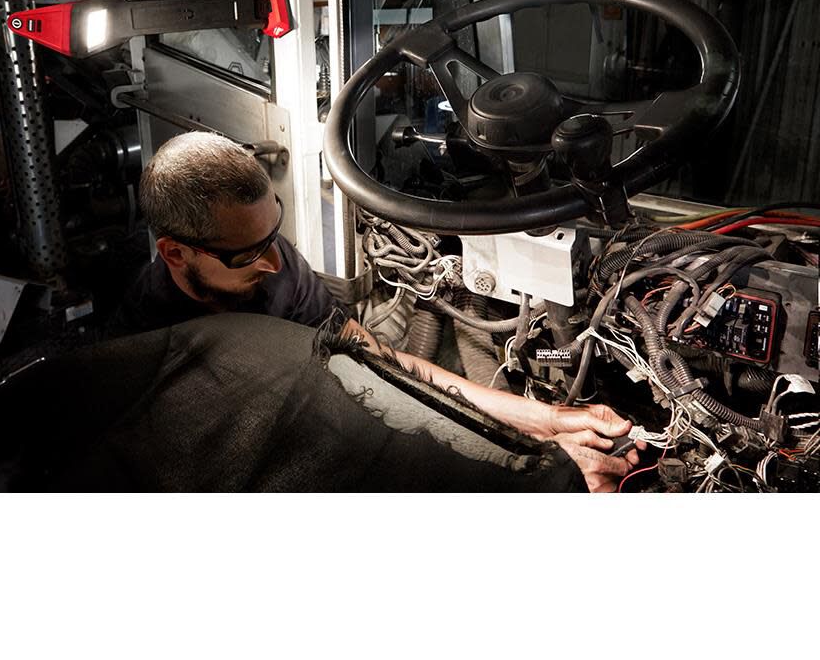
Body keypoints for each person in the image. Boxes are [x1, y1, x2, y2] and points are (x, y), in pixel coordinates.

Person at [110, 131, 644, 492]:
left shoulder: (277, 268)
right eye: (247, 254)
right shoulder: (148, 361)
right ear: (175, 254)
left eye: (274, 234)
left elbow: (381, 363)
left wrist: (544, 422)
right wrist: (535, 476)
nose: (276, 263)